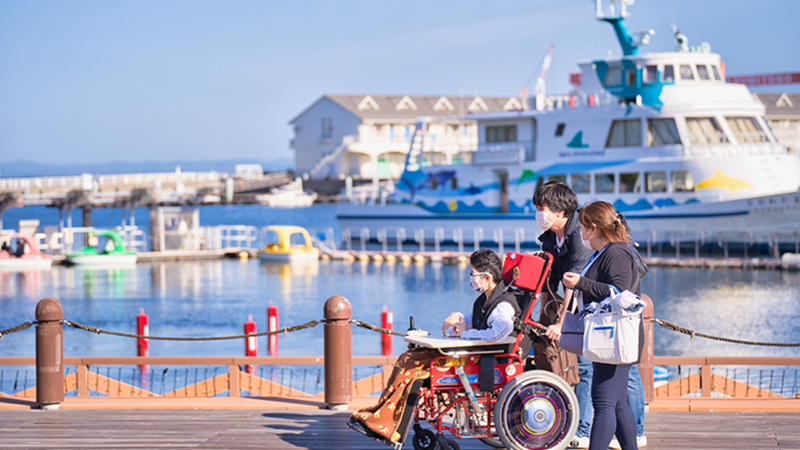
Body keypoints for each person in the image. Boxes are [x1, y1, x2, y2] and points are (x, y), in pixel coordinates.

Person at [348, 248, 519, 444]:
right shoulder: (485, 299)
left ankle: (387, 425)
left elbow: (501, 330)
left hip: (484, 359)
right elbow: (470, 318)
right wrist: (459, 317)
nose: (470, 278)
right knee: (407, 358)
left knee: (414, 368)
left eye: (472, 274)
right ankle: (381, 417)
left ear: (487, 277)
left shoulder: (503, 304)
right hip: (473, 353)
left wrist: (465, 333)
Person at [561, 201, 640, 450]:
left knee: (603, 402)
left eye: (583, 227)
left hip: (615, 334)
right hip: (608, 334)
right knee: (615, 403)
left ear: (593, 228)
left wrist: (581, 283)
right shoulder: (606, 252)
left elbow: (620, 292)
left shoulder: (615, 252)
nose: (581, 233)